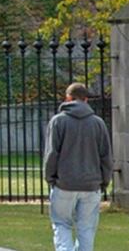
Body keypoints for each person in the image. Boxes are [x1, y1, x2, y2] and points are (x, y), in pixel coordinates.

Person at [44, 83, 112, 251]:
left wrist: (50, 177)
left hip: (64, 183)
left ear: (68, 98)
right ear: (86, 99)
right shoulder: (98, 123)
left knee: (61, 224)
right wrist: (104, 181)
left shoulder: (58, 121)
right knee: (86, 228)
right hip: (91, 184)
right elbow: (105, 156)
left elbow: (52, 154)